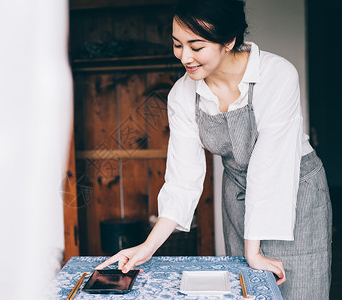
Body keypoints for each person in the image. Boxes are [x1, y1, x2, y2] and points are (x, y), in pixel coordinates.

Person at [95, 0, 333, 298]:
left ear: (229, 41)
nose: (184, 57)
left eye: (196, 47)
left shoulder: (277, 74)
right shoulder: (182, 95)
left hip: (296, 193)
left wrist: (253, 252)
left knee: (301, 291)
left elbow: (270, 165)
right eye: (177, 44)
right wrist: (147, 247)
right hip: (238, 195)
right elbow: (182, 180)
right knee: (248, 291)